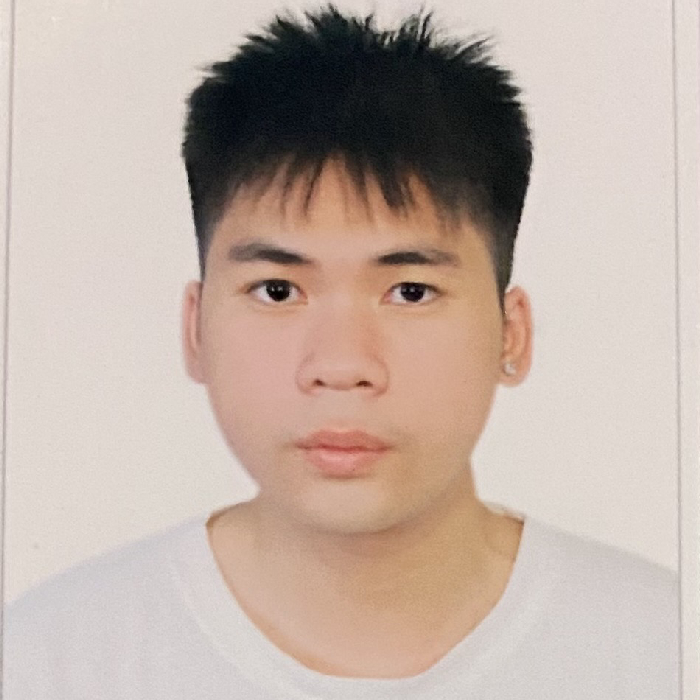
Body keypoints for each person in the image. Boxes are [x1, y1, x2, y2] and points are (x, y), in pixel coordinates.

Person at [3, 4, 678, 699]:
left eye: (410, 292)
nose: (341, 366)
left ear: (512, 334)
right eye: (277, 290)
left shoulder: (663, 650)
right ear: (196, 329)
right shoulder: (53, 661)